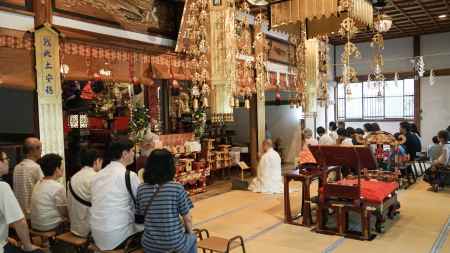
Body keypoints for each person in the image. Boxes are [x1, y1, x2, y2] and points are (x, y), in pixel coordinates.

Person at [136, 149, 196, 253]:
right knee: (192, 238)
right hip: (173, 245)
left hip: (149, 245)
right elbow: (188, 219)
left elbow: (140, 216)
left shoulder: (141, 188)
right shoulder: (176, 188)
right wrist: (190, 233)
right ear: (170, 167)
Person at [90, 139, 142, 251]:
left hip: (96, 233)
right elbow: (141, 201)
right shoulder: (129, 176)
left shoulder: (97, 175)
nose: (135, 154)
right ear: (124, 154)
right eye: (132, 151)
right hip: (117, 236)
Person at [0, 152, 42, 253]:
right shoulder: (2, 187)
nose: (8, 161)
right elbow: (19, 222)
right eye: (5, 158)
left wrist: (5, 238)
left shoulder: (17, 168)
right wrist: (27, 246)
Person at [67, 149, 103, 238]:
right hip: (89, 230)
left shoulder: (72, 178)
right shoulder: (96, 178)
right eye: (101, 162)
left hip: (75, 227)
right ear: (97, 161)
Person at [30, 154, 67, 232]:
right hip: (48, 225)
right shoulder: (58, 187)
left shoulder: (38, 182)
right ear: (57, 169)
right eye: (62, 166)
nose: (63, 168)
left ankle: (47, 242)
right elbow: (64, 212)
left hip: (35, 224)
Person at [13, 138, 43, 217]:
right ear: (32, 151)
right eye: (40, 148)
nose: (41, 151)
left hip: (19, 212)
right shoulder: (35, 167)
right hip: (33, 213)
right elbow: (43, 190)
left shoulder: (17, 167)